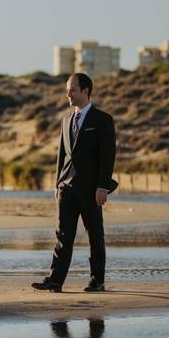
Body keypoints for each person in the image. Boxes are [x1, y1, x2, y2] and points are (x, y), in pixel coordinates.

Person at [31, 72, 117, 293]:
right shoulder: (66, 119)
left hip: (91, 189)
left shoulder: (102, 120)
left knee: (94, 235)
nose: (67, 93)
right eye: (67, 89)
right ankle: (55, 280)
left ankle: (97, 280)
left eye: (72, 89)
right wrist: (57, 184)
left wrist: (103, 186)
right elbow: (62, 154)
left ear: (85, 91)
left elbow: (108, 156)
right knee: (62, 234)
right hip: (66, 188)